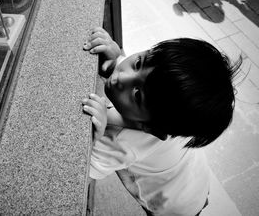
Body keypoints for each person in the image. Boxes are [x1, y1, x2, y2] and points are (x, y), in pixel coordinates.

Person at [82, 27, 241, 216]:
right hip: (194, 182)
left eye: (137, 94)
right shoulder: (167, 113)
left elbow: (80, 175)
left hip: (172, 208)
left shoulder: (123, 142)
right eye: (138, 63)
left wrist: (92, 139)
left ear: (149, 127)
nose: (121, 76)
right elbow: (133, 78)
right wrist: (116, 59)